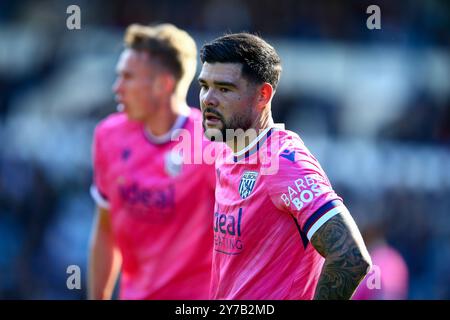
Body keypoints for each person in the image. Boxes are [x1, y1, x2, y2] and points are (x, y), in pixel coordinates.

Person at [198, 32, 372, 299]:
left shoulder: (283, 163)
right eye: (204, 86)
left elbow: (350, 256)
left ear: (263, 95)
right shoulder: (226, 153)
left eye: (224, 88)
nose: (208, 98)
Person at [88, 23, 215, 300]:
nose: (117, 87)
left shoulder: (211, 145)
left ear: (163, 85)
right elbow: (105, 231)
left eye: (128, 77)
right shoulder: (109, 135)